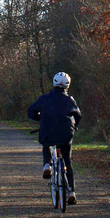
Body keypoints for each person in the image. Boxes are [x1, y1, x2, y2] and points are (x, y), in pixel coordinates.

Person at [27, 72, 82, 205]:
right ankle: (71, 192)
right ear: (67, 86)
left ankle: (47, 165)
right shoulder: (70, 100)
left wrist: (41, 118)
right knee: (67, 162)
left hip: (48, 131)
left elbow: (31, 112)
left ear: (54, 83)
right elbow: (78, 115)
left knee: (47, 142)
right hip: (66, 133)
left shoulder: (44, 98)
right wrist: (75, 127)